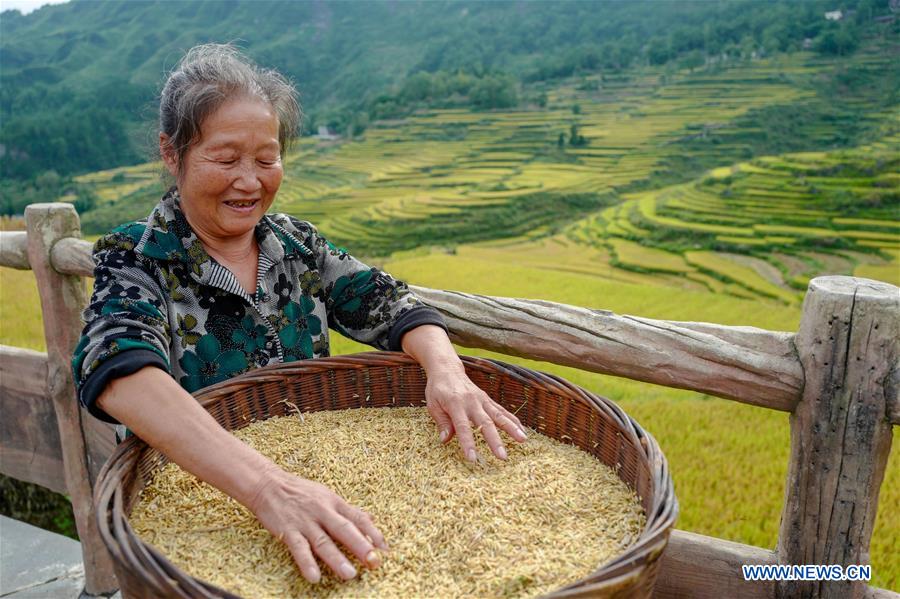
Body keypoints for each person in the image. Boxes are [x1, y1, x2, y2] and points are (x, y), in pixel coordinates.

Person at [72, 44, 528, 584]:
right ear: (172, 154)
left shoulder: (297, 246)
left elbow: (387, 301)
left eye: (267, 161)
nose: (250, 181)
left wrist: (447, 372)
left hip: (316, 481)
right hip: (200, 506)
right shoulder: (136, 257)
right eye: (225, 160)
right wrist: (268, 488)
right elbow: (117, 370)